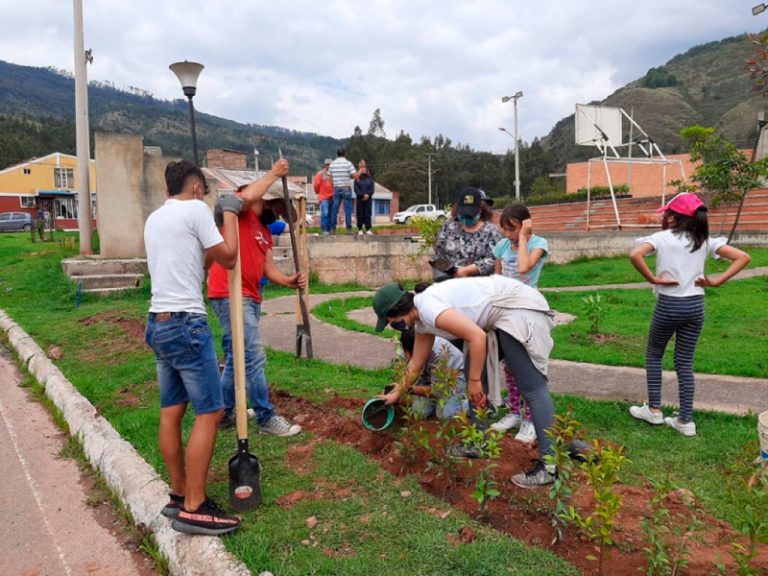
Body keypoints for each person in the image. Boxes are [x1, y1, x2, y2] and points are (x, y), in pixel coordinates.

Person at [373, 276, 559, 488]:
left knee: (532, 388)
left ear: (395, 311)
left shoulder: (429, 308)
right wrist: (398, 392)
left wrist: (473, 380)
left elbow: (477, 337)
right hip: (501, 313)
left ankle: (549, 468)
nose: (392, 326)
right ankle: (479, 443)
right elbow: (416, 363)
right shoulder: (422, 320)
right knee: (475, 374)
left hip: (517, 308)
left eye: (389, 322)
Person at [144, 160, 242, 535]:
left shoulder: (156, 219)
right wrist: (230, 214)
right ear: (198, 188)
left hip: (158, 322)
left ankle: (179, 493)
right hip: (186, 324)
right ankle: (196, 506)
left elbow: (196, 262)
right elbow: (229, 258)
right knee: (211, 412)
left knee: (171, 412)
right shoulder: (197, 210)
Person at [628, 192, 750, 436]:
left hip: (669, 305)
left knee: (654, 354)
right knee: (684, 362)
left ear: (673, 218)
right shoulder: (704, 240)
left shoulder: (662, 238)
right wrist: (717, 281)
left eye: (667, 214)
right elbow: (743, 257)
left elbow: (635, 254)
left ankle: (654, 410)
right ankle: (685, 421)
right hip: (695, 306)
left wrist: (652, 279)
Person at [207, 159, 305, 437]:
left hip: (251, 295)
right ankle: (266, 417)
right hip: (229, 293)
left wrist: (287, 280)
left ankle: (226, 412)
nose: (275, 211)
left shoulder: (264, 232)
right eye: (272, 204)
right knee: (253, 354)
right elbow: (248, 197)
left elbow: (267, 268)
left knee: (236, 356)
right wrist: (274, 174)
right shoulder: (238, 211)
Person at [490, 204, 549, 444]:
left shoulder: (538, 244)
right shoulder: (502, 246)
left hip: (527, 310)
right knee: (511, 366)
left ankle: (530, 420)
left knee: (529, 367)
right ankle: (514, 412)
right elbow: (497, 280)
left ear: (526, 224)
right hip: (506, 311)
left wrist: (523, 237)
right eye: (505, 229)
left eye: (513, 229)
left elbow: (524, 267)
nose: (508, 234)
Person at [398, 327, 467, 421]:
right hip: (428, 377)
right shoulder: (408, 346)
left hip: (453, 378)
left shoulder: (440, 354)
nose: (406, 355)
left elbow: (438, 391)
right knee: (419, 412)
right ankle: (440, 403)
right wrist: (397, 390)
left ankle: (476, 404)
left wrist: (409, 389)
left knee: (445, 414)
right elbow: (409, 375)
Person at [432, 187, 501, 281]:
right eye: (464, 213)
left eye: (471, 214)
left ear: (481, 209)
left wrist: (468, 270)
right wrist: (449, 270)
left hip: (479, 283)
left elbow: (495, 259)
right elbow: (439, 252)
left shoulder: (491, 231)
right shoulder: (448, 227)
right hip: (450, 282)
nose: (467, 217)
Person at [328, 148, 358, 234]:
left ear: (336, 154)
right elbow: (355, 176)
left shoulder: (332, 164)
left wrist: (333, 188)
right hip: (346, 188)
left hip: (336, 188)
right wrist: (359, 172)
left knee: (334, 209)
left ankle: (332, 229)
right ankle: (349, 229)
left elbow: (330, 179)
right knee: (348, 209)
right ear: (345, 154)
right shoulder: (348, 163)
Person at [312, 158, 334, 235]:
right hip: (324, 197)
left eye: (330, 165)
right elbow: (316, 185)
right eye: (327, 165)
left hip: (333, 197)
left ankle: (330, 229)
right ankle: (324, 229)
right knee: (325, 213)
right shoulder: (320, 174)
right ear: (325, 165)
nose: (329, 166)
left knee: (331, 214)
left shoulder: (334, 174)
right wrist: (318, 193)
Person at [354, 159, 375, 235]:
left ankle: (368, 229)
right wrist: (362, 195)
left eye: (364, 168)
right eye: (361, 168)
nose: (363, 169)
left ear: (366, 169)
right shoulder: (357, 180)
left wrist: (368, 195)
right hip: (360, 199)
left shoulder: (370, 179)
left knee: (367, 214)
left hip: (368, 200)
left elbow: (372, 189)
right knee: (360, 214)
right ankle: (360, 229)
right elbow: (356, 189)